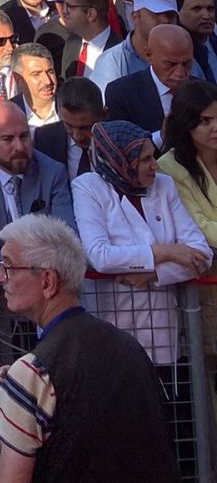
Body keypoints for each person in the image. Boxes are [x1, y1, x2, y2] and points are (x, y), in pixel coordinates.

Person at [0, 213, 180, 483]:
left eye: (8, 266)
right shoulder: (130, 348)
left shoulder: (33, 371)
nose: (0, 278)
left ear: (48, 281)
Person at [72, 118, 210, 364]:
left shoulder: (164, 185)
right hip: (114, 326)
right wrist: (165, 252)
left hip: (162, 327)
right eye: (145, 159)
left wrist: (154, 275)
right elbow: (100, 256)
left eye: (152, 156)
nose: (155, 166)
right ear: (120, 160)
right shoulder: (88, 186)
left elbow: (201, 253)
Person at [0, 101, 76, 280]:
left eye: (24, 136)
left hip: (45, 276)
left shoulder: (53, 172)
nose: (19, 146)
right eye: (8, 139)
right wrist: (1, 271)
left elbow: (66, 231)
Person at [158, 78, 217, 415]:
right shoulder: (170, 168)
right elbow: (200, 229)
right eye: (205, 121)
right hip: (201, 298)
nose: (215, 128)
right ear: (186, 121)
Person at [104, 24, 195, 136]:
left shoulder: (205, 93)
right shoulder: (122, 93)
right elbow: (121, 147)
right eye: (171, 64)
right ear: (148, 55)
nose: (180, 73)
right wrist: (161, 137)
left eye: (186, 64)